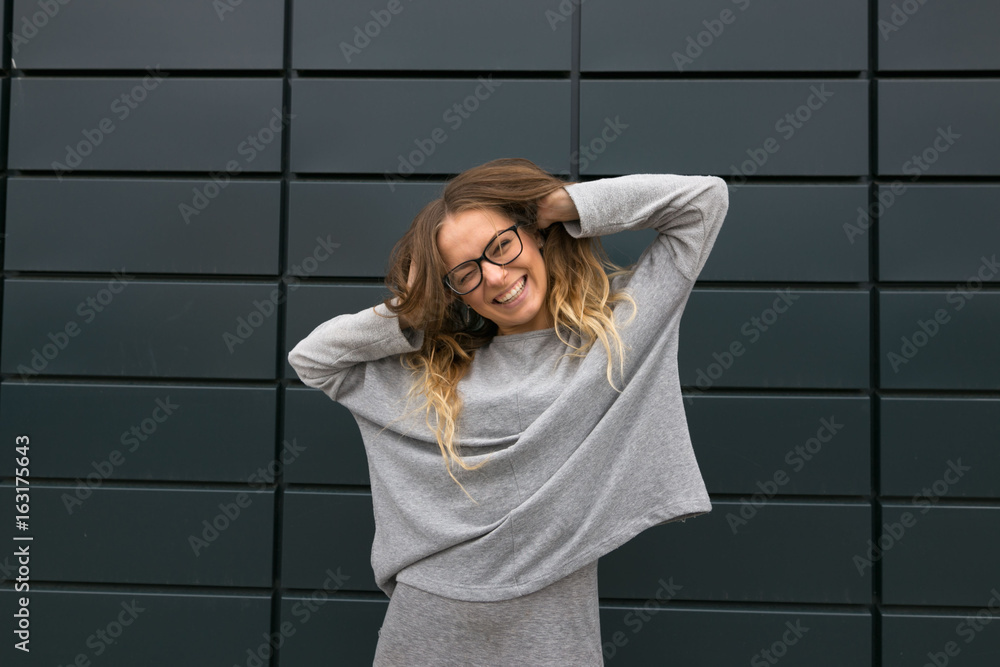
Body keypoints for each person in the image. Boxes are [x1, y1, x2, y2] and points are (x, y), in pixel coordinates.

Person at [287, 157, 729, 665]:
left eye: (500, 246)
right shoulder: (432, 374)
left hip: (554, 634)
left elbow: (704, 202)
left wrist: (558, 204)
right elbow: (314, 358)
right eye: (466, 273)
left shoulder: (618, 339)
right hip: (426, 631)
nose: (496, 277)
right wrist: (412, 307)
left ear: (537, 235)